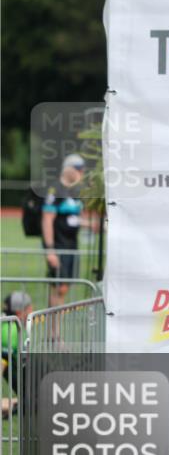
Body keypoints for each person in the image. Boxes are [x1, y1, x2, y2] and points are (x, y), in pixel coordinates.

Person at [41, 154, 85, 307]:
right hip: (59, 246)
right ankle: (54, 330)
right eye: (79, 169)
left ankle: (55, 329)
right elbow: (47, 220)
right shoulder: (56, 189)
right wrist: (50, 250)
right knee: (60, 287)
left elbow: (74, 218)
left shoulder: (75, 191)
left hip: (72, 246)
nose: (82, 173)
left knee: (64, 288)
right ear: (69, 169)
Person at [1, 291, 31, 412]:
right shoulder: (10, 330)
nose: (32, 310)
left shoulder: (13, 325)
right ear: (19, 312)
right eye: (29, 307)